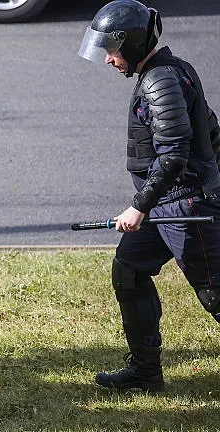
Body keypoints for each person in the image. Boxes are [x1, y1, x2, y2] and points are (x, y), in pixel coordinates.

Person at [78, 0, 220, 391]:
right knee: (130, 270)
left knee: (215, 295)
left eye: (112, 49)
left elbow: (174, 152)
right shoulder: (171, 72)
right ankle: (145, 372)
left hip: (185, 205)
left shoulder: (160, 81)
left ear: (135, 43)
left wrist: (139, 207)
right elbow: (210, 129)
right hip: (166, 203)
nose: (108, 59)